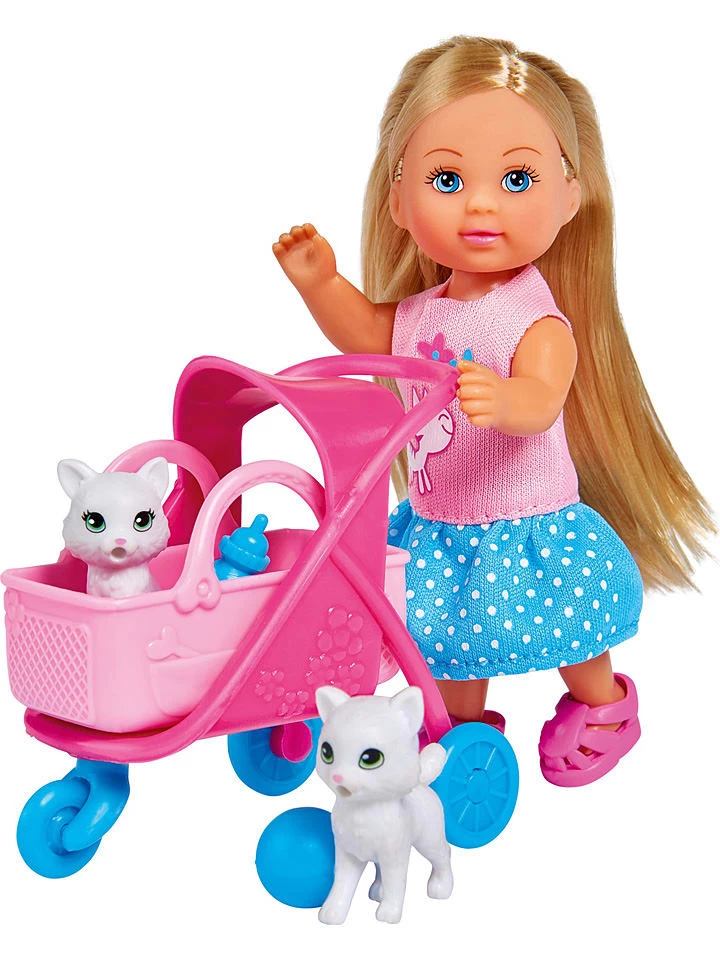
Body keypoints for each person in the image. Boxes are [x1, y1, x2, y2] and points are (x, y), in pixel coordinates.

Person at [273, 36, 714, 786]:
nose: (480, 203)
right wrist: (321, 284)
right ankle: (460, 733)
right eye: (447, 179)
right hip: (443, 523)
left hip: (528, 521)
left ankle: (603, 705)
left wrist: (507, 401)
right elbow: (370, 334)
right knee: (446, 639)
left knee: (572, 628)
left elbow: (543, 397)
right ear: (398, 200)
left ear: (570, 196)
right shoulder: (421, 313)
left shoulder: (535, 320)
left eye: (516, 179)